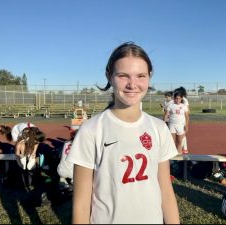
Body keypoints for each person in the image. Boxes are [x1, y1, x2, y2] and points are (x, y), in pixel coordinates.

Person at [67, 42, 180, 224]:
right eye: (123, 75)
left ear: (149, 77)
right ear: (109, 76)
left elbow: (166, 190)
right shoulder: (91, 130)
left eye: (141, 76)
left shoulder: (159, 128)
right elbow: (81, 202)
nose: (132, 84)